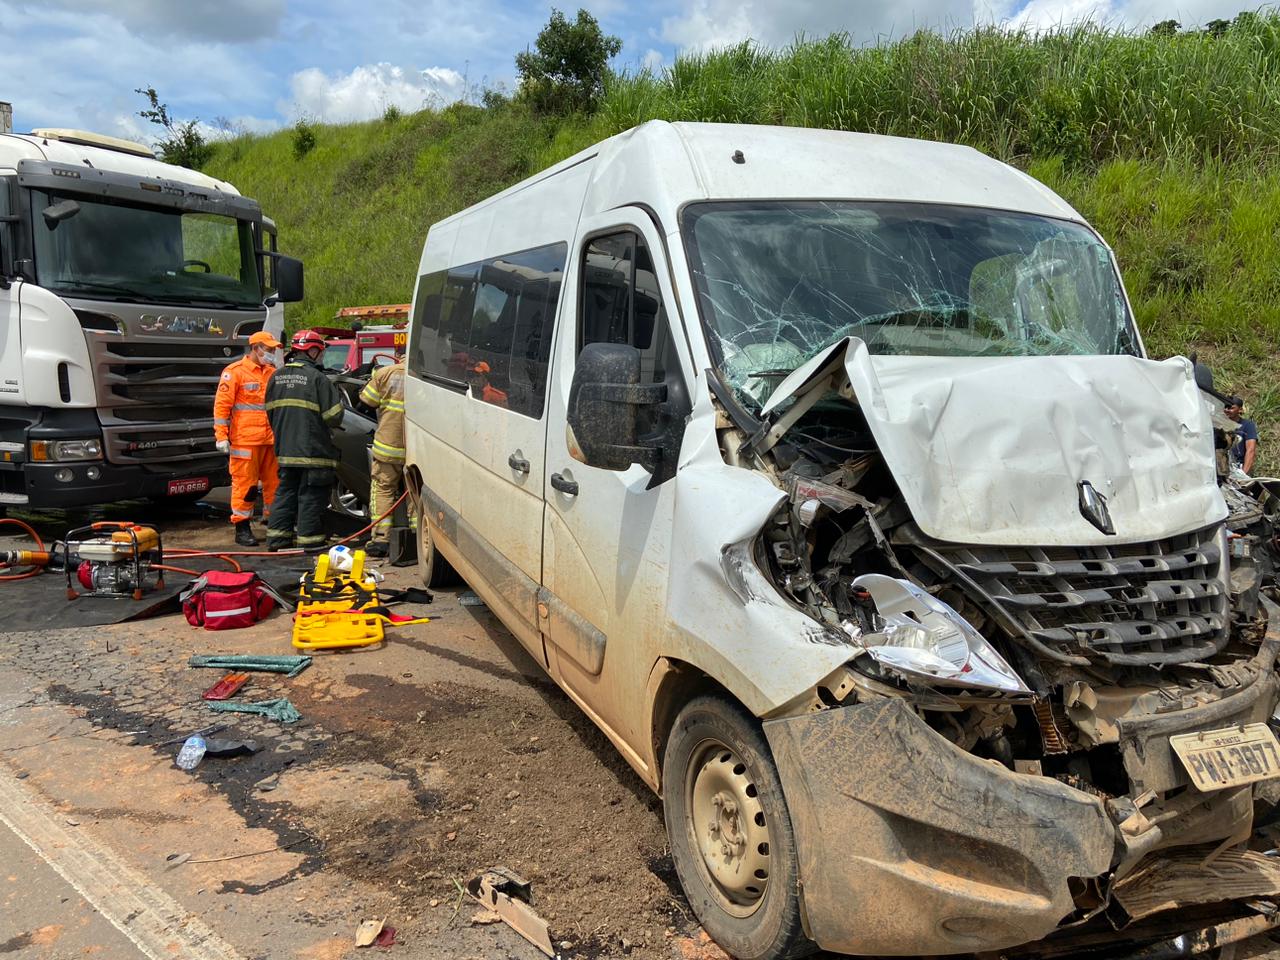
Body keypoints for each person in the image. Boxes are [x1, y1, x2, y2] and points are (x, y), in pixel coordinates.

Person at [264, 329, 345, 551]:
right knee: (311, 496)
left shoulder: (275, 377)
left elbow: (270, 414)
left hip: (285, 451)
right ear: (311, 350)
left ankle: (277, 540)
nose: (321, 356)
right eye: (320, 351)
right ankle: (310, 544)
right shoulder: (317, 378)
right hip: (313, 453)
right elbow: (333, 417)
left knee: (285, 493)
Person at [213, 331, 281, 547]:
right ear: (255, 348)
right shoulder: (234, 373)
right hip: (245, 441)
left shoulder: (272, 372)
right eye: (268, 349)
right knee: (245, 485)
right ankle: (242, 527)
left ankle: (274, 523)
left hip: (270, 439)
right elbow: (222, 407)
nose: (270, 353)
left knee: (275, 483)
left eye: (272, 350)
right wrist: (221, 436)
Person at [358, 358, 416, 558]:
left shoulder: (385, 373)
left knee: (383, 489)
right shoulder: (422, 378)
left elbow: (365, 402)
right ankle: (416, 537)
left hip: (388, 446)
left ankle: (381, 539)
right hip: (414, 448)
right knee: (414, 492)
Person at [1225, 395, 1259, 475]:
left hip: (1238, 467)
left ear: (1240, 410)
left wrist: (1243, 475)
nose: (1227, 410)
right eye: (1225, 407)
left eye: (1231, 408)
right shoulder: (1218, 424)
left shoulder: (1247, 425)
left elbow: (1250, 450)